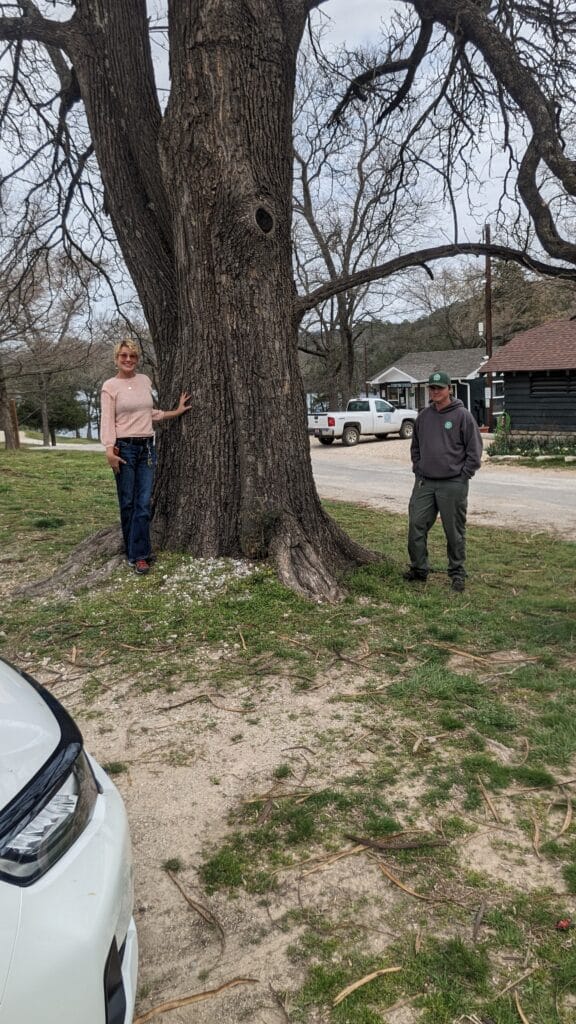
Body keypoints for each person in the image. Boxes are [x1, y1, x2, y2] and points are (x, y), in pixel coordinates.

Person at [100, 338, 191, 574]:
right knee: (128, 503)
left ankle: (137, 553)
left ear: (137, 359)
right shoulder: (110, 386)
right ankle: (137, 554)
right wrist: (109, 449)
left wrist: (177, 412)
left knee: (143, 504)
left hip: (147, 448)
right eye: (124, 356)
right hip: (124, 449)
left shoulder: (144, 381)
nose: (128, 359)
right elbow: (107, 420)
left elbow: (149, 413)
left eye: (132, 356)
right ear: (116, 359)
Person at [403, 370, 483, 592]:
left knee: (454, 530)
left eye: (439, 387)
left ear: (449, 389)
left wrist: (464, 474)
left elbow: (474, 451)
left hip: (453, 484)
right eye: (432, 387)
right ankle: (419, 569)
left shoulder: (462, 416)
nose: (435, 391)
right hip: (425, 483)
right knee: (416, 524)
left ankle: (457, 572)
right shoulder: (424, 416)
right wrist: (418, 467)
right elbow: (416, 446)